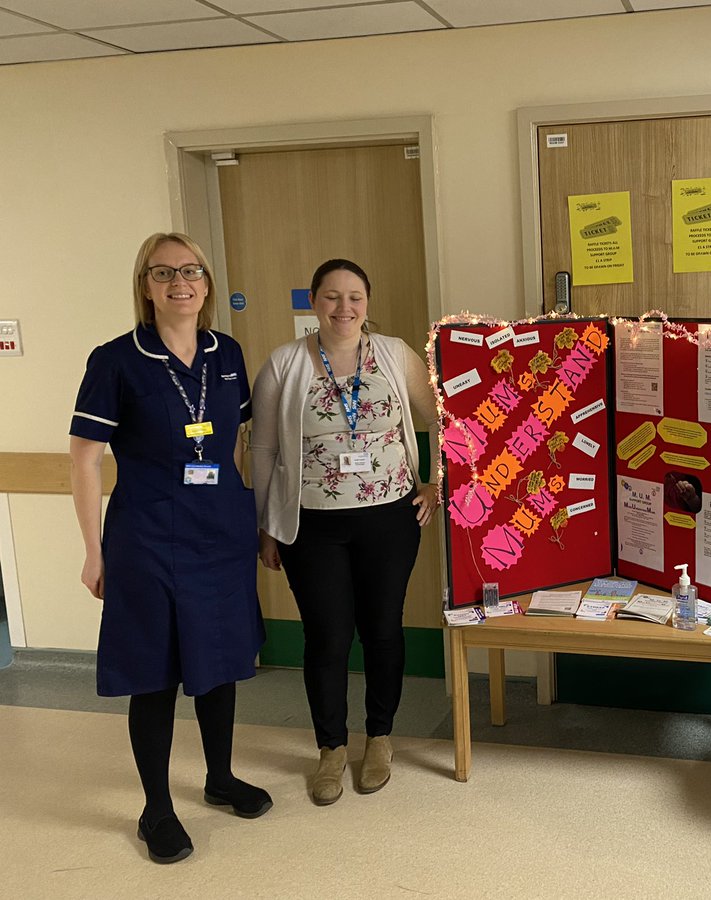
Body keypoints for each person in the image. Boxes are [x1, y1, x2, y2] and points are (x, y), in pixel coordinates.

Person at [69, 232, 270, 865]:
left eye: (191, 271)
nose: (178, 283)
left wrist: (252, 516)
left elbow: (239, 439)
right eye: (163, 273)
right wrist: (93, 550)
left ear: (207, 284)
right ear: (146, 286)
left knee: (220, 660)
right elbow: (84, 458)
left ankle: (219, 777)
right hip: (148, 535)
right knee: (152, 674)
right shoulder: (115, 359)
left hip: (221, 532)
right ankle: (156, 808)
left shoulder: (227, 352)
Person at [252, 258, 438, 805]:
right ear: (314, 302)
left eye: (354, 296)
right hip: (310, 525)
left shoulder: (397, 355)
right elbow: (261, 446)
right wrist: (266, 525)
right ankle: (331, 748)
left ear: (368, 302)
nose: (344, 307)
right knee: (328, 638)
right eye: (332, 297)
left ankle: (379, 739)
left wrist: (437, 484)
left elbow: (446, 419)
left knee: (383, 631)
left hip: (390, 517)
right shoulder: (286, 363)